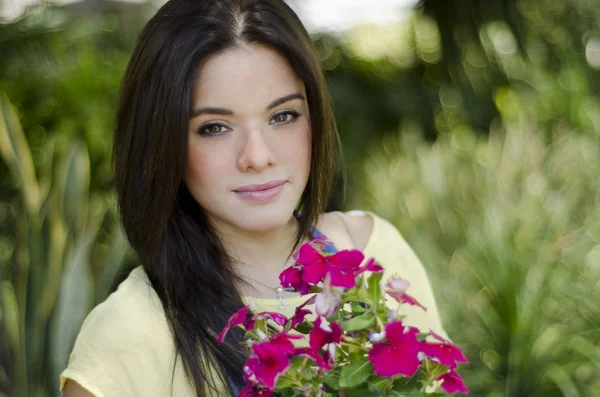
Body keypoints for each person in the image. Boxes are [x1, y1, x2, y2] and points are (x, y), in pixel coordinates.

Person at [60, 0, 448, 396]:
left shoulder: (377, 256)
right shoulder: (128, 336)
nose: (258, 157)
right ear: (162, 142)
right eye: (214, 127)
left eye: (283, 116)